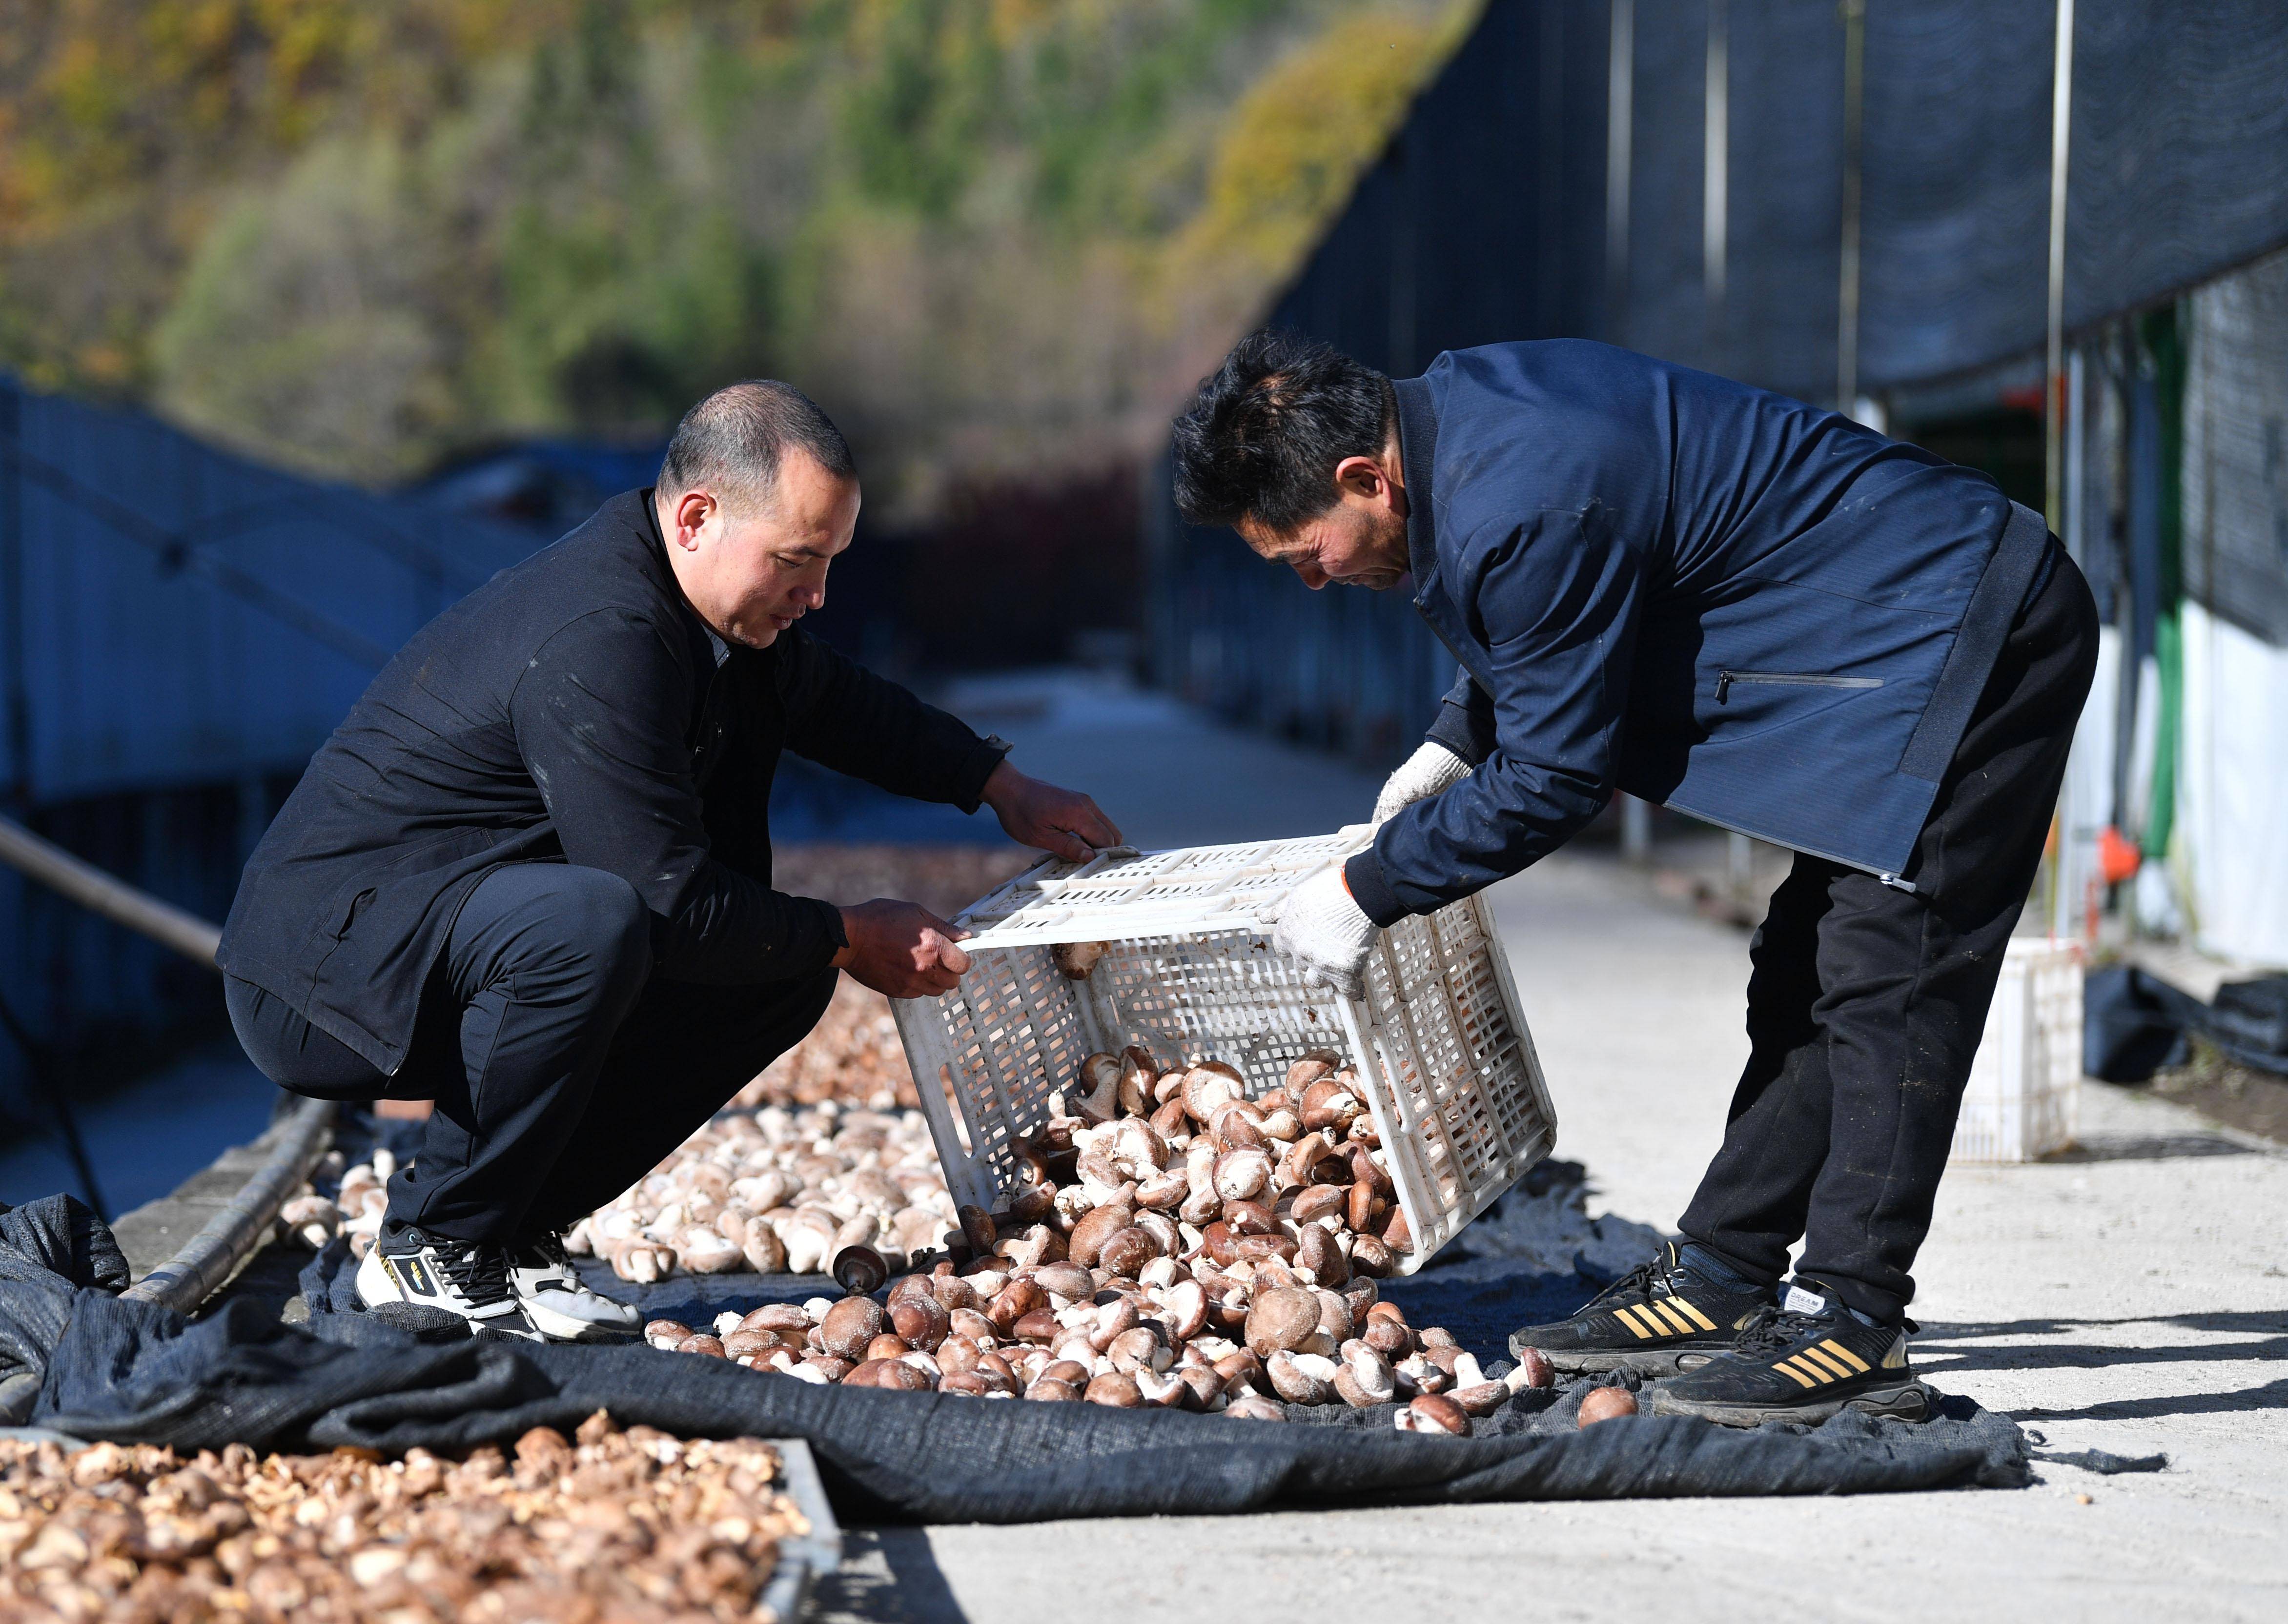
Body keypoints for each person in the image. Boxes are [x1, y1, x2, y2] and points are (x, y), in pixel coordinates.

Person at [1171, 330, 2097, 1426]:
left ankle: (1857, 1319)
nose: (1317, 579)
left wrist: (1366, 889)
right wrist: (1452, 743)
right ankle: (1721, 1273)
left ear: (1364, 479)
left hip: (1968, 631)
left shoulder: (1518, 492)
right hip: (1878, 632)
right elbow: (1560, 614)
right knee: (1800, 971)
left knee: (1888, 971)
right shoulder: (1460, 424)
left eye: (1306, 553)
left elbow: (1559, 772)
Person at [222, 381, 1119, 1342]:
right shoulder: (604, 636)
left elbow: (837, 701)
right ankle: (433, 1243)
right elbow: (662, 898)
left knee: (775, 977)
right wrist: (850, 930)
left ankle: (510, 1227)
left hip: (445, 931)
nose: (817, 594)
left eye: (829, 563)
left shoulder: (702, 610)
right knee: (596, 928)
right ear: (697, 516)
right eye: (800, 560)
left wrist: (1000, 785)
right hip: (326, 970)